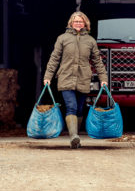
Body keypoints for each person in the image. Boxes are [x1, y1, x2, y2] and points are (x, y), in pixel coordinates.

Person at [43, 11, 108, 149]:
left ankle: (75, 139)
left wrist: (103, 78)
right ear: (71, 23)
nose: (78, 23)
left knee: (79, 109)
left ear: (85, 23)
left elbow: (97, 61)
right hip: (66, 77)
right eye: (75, 21)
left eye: (80, 21)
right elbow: (54, 58)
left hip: (83, 78)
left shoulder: (90, 41)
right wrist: (48, 76)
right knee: (71, 106)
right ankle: (73, 136)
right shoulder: (62, 39)